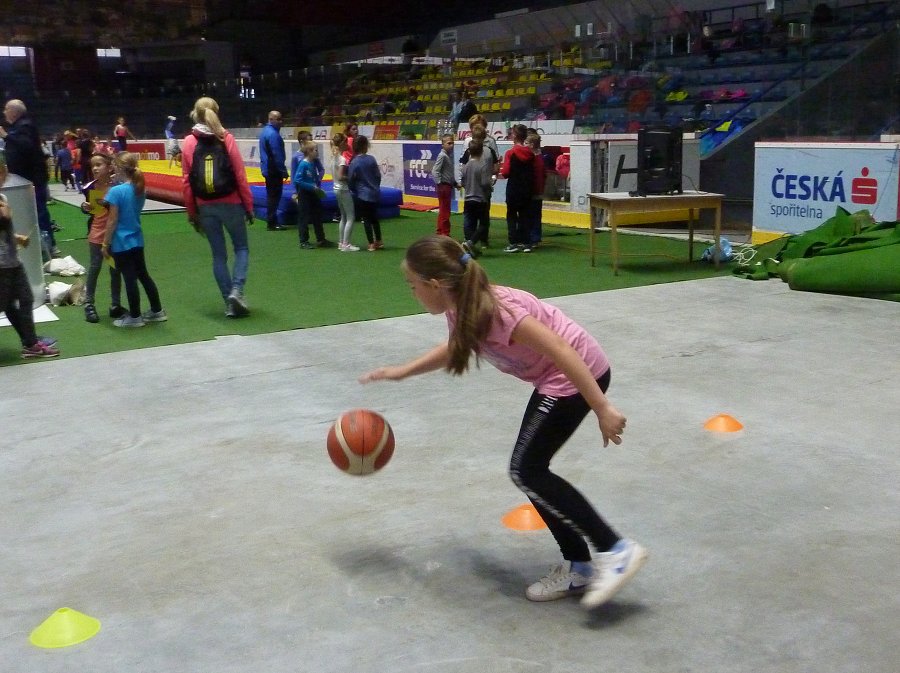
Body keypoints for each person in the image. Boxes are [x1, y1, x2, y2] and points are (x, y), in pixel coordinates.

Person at [359, 235, 646, 607]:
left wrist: (602, 408)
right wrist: (403, 371)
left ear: (434, 285)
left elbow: (562, 349)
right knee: (529, 470)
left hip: (575, 375)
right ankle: (579, 567)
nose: (412, 292)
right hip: (555, 378)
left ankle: (615, 549)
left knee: (526, 470)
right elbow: (457, 347)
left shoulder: (499, 311)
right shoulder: (460, 306)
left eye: (412, 285)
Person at [181, 96, 255, 319]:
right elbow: (240, 175)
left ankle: (228, 301)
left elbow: (186, 182)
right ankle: (237, 290)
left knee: (218, 256)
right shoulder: (226, 138)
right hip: (231, 202)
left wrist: (192, 212)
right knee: (241, 248)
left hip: (205, 206)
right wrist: (249, 206)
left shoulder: (189, 142)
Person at [0, 157, 60, 359]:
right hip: (2, 265)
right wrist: (6, 215)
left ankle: (31, 343)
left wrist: (16, 238)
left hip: (11, 261)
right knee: (6, 304)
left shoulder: (2, 198)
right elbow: (4, 217)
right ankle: (31, 342)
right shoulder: (2, 203)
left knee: (23, 299)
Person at [102, 152, 166, 327]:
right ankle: (157, 310)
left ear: (121, 168)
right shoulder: (139, 188)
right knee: (143, 275)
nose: (113, 168)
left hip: (121, 242)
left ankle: (135, 316)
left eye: (115, 165)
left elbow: (112, 220)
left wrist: (105, 243)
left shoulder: (116, 191)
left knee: (129, 278)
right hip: (137, 239)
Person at [0, 99, 58, 259]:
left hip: (32, 179)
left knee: (38, 212)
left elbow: (26, 146)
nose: (4, 112)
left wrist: (6, 136)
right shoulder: (20, 127)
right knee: (32, 211)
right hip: (24, 179)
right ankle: (39, 244)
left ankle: (49, 246)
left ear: (14, 111)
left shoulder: (25, 126)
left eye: (6, 109)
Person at [80, 152, 123, 323]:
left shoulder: (117, 187)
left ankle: (115, 305)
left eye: (99, 164)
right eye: (93, 166)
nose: (95, 168)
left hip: (114, 236)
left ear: (110, 167)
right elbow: (92, 211)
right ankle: (89, 304)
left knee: (114, 270)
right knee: (95, 268)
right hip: (97, 236)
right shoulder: (90, 187)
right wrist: (85, 207)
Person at [500, 124, 536, 253]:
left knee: (511, 216)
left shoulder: (510, 153)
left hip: (514, 188)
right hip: (526, 188)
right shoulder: (531, 153)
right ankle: (526, 243)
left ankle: (513, 242)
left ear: (514, 136)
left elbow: (505, 172)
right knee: (525, 215)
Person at [459, 138, 493, 259]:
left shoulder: (466, 166)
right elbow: (484, 183)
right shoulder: (482, 166)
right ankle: (471, 242)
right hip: (480, 199)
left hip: (468, 198)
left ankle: (469, 245)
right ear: (481, 151)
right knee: (483, 224)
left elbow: (462, 181)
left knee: (469, 222)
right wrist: (490, 186)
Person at [347, 135, 383, 251]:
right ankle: (379, 240)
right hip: (374, 192)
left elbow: (351, 178)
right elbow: (378, 176)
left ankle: (371, 243)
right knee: (375, 218)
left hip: (362, 194)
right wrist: (376, 186)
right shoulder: (371, 159)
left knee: (366, 219)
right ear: (366, 146)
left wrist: (353, 189)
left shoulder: (355, 162)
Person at [292, 140, 330, 250]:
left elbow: (314, 177)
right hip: (304, 194)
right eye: (315, 150)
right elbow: (297, 180)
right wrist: (311, 186)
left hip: (313, 193)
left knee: (317, 215)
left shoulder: (312, 163)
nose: (317, 152)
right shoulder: (303, 164)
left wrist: (316, 185)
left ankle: (321, 238)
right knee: (304, 217)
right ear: (309, 151)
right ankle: (303, 241)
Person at [259, 110, 287, 231]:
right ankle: (272, 222)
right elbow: (277, 155)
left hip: (268, 168)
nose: (281, 122)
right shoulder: (273, 135)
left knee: (271, 195)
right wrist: (283, 170)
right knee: (274, 196)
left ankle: (272, 220)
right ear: (271, 119)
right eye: (278, 119)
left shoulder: (265, 132)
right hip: (273, 169)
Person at [330, 133, 358, 251]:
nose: (348, 145)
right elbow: (341, 176)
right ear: (342, 144)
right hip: (343, 188)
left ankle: (342, 242)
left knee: (343, 216)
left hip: (336, 188)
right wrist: (352, 177)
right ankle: (346, 244)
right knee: (350, 216)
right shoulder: (342, 159)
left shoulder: (334, 158)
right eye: (346, 142)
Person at [431, 133, 457, 237]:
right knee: (445, 211)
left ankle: (440, 231)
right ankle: (445, 233)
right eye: (449, 143)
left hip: (447, 185)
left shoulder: (447, 156)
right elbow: (435, 171)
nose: (451, 145)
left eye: (452, 143)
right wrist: (439, 184)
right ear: (443, 144)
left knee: (443, 210)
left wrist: (454, 183)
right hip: (444, 186)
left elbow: (448, 173)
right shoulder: (442, 156)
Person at [526, 131, 547, 248]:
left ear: (532, 145)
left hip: (534, 191)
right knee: (536, 215)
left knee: (532, 215)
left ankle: (533, 237)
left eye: (527, 143)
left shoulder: (534, 159)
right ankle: (535, 237)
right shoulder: (540, 157)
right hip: (538, 191)